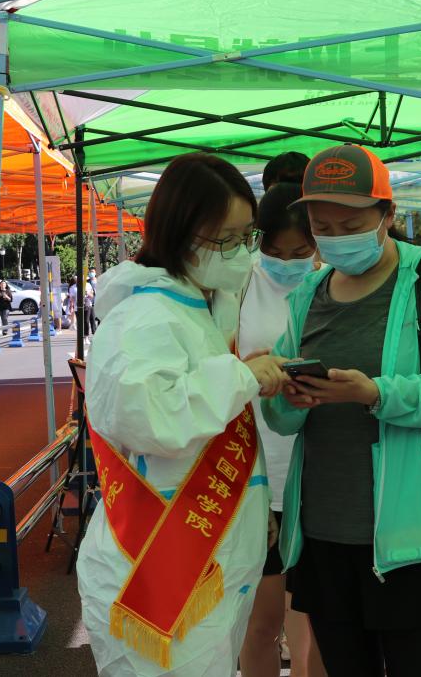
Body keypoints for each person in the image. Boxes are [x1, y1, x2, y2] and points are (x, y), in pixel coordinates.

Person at [262, 145, 421, 677]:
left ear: (387, 215)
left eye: (351, 224)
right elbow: (281, 420)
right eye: (322, 227)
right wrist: (289, 398)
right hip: (323, 533)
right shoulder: (308, 293)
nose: (336, 238)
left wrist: (376, 394)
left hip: (412, 539)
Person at [78, 153, 289, 676]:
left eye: (248, 236)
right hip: (159, 564)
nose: (243, 252)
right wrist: (243, 376)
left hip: (209, 557)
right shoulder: (144, 316)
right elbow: (147, 415)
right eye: (227, 239)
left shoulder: (200, 307)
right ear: (180, 233)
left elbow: (215, 424)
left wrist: (255, 507)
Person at [238, 183, 326, 677]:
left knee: (314, 622)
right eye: (276, 252)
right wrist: (242, 368)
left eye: (300, 252)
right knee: (261, 623)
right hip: (257, 470)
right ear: (259, 241)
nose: (288, 263)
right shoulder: (238, 285)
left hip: (319, 472)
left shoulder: (333, 282)